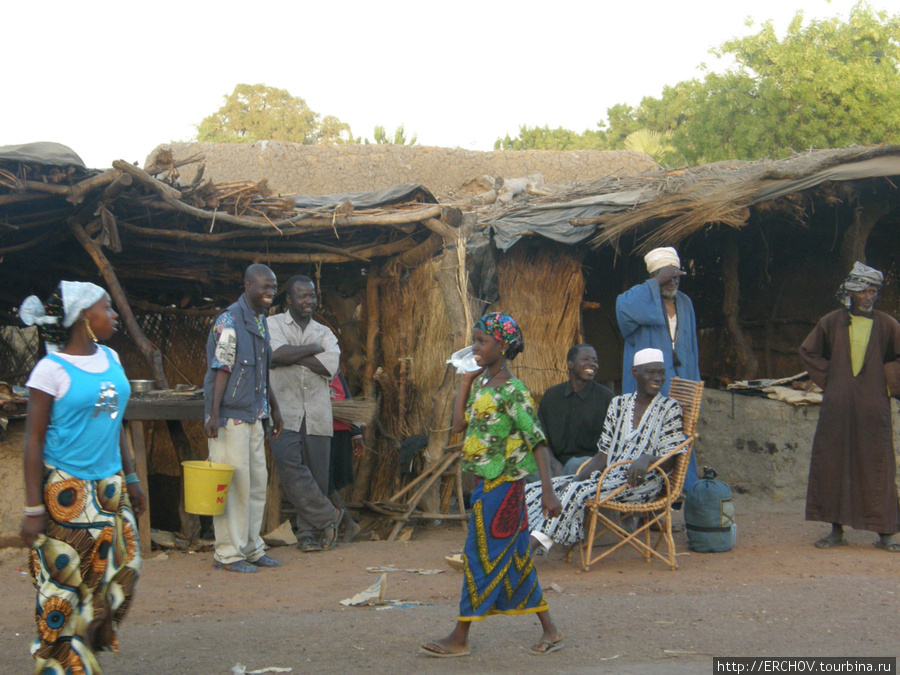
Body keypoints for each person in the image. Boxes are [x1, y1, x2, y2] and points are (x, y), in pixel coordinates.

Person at [19, 281, 146, 674]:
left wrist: (132, 476)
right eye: (105, 307)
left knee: (124, 575)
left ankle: (86, 647)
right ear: (82, 318)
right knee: (65, 589)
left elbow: (114, 422)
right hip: (66, 493)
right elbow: (33, 441)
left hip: (111, 489)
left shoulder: (111, 357)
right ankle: (65, 664)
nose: (112, 315)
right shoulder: (50, 369)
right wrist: (33, 507)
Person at [421, 313, 563, 658]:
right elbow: (457, 426)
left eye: (483, 341)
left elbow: (538, 442)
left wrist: (548, 490)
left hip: (505, 487)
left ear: (502, 346)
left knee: (477, 557)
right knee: (516, 560)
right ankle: (552, 631)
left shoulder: (514, 392)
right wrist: (466, 382)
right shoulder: (482, 385)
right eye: (475, 339)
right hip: (485, 487)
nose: (475, 346)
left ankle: (459, 637)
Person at [525, 348, 685, 552]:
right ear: (635, 373)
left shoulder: (670, 409)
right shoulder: (619, 404)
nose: (657, 378)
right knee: (542, 489)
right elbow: (604, 455)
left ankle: (531, 547)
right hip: (609, 478)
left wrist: (648, 459)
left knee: (577, 491)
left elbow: (671, 459)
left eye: (661, 373)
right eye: (650, 372)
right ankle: (524, 539)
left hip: (643, 483)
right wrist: (575, 479)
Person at [799, 262, 900, 552]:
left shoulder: (887, 324)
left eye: (873, 292)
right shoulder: (831, 322)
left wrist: (885, 378)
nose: (869, 297)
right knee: (834, 463)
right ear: (851, 293)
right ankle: (836, 530)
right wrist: (834, 378)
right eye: (864, 292)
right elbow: (809, 351)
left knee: (877, 464)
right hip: (838, 406)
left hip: (873, 407)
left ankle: (886, 533)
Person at [204, 264, 284, 572]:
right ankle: (229, 553)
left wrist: (274, 409)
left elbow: (263, 371)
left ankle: (252, 548)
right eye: (265, 286)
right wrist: (213, 414)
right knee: (232, 487)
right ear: (248, 285)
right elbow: (221, 369)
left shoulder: (259, 321)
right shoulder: (229, 320)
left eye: (274, 287)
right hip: (230, 418)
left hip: (255, 415)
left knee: (254, 485)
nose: (270, 291)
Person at [268, 275, 343, 553]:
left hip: (317, 414)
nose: (309, 301)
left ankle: (309, 535)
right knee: (290, 468)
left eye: (312, 296)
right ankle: (329, 515)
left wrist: (293, 354)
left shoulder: (325, 331)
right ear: (288, 299)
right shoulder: (272, 325)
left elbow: (329, 367)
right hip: (283, 412)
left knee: (316, 476)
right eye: (302, 296)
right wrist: (313, 350)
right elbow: (274, 356)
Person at [616, 246, 700, 491]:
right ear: (653, 278)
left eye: (676, 276)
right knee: (647, 435)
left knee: (679, 435)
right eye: (666, 277)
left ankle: (676, 491)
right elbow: (622, 308)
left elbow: (691, 347)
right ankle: (644, 495)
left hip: (681, 380)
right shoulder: (638, 298)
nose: (673, 281)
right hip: (650, 382)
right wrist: (654, 286)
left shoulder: (684, 303)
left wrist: (694, 384)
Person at [538, 344, 614, 477]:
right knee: (527, 470)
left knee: (573, 465)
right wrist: (555, 465)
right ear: (570, 364)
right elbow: (541, 439)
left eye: (595, 361)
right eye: (586, 359)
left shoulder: (606, 398)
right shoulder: (551, 396)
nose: (592, 364)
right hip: (553, 463)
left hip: (589, 464)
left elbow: (610, 446)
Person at [327, 370, 365, 542]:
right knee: (323, 479)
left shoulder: (336, 371)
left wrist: (357, 435)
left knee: (331, 480)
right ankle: (347, 523)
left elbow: (348, 402)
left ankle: (346, 523)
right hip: (318, 431)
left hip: (340, 432)